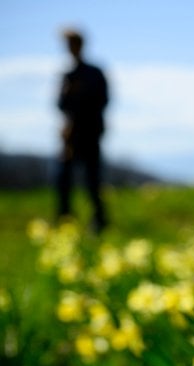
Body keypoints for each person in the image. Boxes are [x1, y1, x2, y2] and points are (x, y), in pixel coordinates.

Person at [56, 28, 109, 233]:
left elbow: (103, 100)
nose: (70, 48)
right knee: (64, 178)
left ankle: (99, 220)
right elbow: (60, 105)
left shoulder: (94, 73)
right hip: (70, 135)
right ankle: (65, 220)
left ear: (80, 45)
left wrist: (82, 95)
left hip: (90, 132)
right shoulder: (68, 75)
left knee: (92, 179)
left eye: (72, 44)